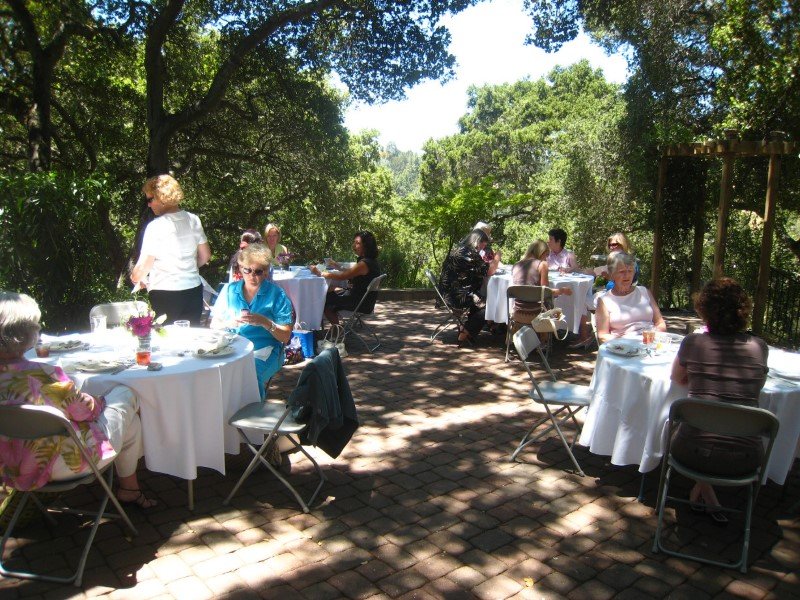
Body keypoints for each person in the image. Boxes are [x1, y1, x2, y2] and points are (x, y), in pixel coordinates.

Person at [0, 292, 156, 508]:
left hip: (11, 467)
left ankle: (129, 490)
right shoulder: (43, 375)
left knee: (132, 424)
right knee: (125, 393)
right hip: (65, 462)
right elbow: (86, 411)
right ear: (27, 332)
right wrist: (98, 400)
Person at [670, 278, 768, 523]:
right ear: (743, 310)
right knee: (714, 431)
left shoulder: (693, 343)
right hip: (747, 457)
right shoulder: (759, 347)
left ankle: (703, 493)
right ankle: (708, 498)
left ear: (704, 309)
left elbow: (677, 378)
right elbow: (757, 387)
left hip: (690, 452)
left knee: (670, 425)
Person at [211, 244, 293, 398]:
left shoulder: (277, 295)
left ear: (266, 271)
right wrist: (230, 323)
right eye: (247, 270)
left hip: (263, 350)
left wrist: (265, 322)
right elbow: (214, 325)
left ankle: (252, 411)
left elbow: (285, 336)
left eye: (258, 271)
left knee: (248, 377)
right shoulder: (229, 290)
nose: (252, 276)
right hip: (231, 349)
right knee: (213, 375)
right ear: (240, 268)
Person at [131, 175, 211, 326]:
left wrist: (135, 277)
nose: (148, 205)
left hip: (165, 295)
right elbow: (205, 256)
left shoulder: (155, 227)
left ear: (162, 197)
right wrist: (186, 268)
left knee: (166, 339)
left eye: (150, 199)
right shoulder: (193, 220)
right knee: (190, 337)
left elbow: (142, 268)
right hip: (193, 292)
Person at [438, 229, 501, 343]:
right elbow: (489, 271)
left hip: (446, 292)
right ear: (477, 242)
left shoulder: (458, 249)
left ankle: (472, 328)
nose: (482, 248)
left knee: (480, 299)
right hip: (457, 296)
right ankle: (466, 331)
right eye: (483, 245)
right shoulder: (470, 253)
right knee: (490, 305)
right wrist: (497, 257)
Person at [309, 231, 381, 327]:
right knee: (328, 292)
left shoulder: (364, 264)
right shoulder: (371, 261)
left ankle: (337, 332)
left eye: (357, 243)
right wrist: (338, 266)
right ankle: (335, 330)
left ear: (366, 245)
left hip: (360, 303)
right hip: (364, 300)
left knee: (324, 300)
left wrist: (319, 273)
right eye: (354, 242)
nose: (354, 246)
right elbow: (352, 273)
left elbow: (342, 277)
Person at [595, 252, 666, 343]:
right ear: (612, 274)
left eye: (630, 271)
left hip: (650, 341)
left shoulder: (644, 292)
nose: (627, 275)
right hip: (623, 346)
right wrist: (625, 342)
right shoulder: (605, 301)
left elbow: (660, 323)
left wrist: (654, 335)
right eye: (622, 271)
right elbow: (602, 335)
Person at [511, 240, 573, 324]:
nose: (546, 258)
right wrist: (562, 290)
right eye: (546, 255)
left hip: (517, 313)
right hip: (535, 315)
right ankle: (552, 331)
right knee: (555, 308)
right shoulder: (542, 264)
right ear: (541, 252)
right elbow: (546, 293)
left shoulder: (516, 265)